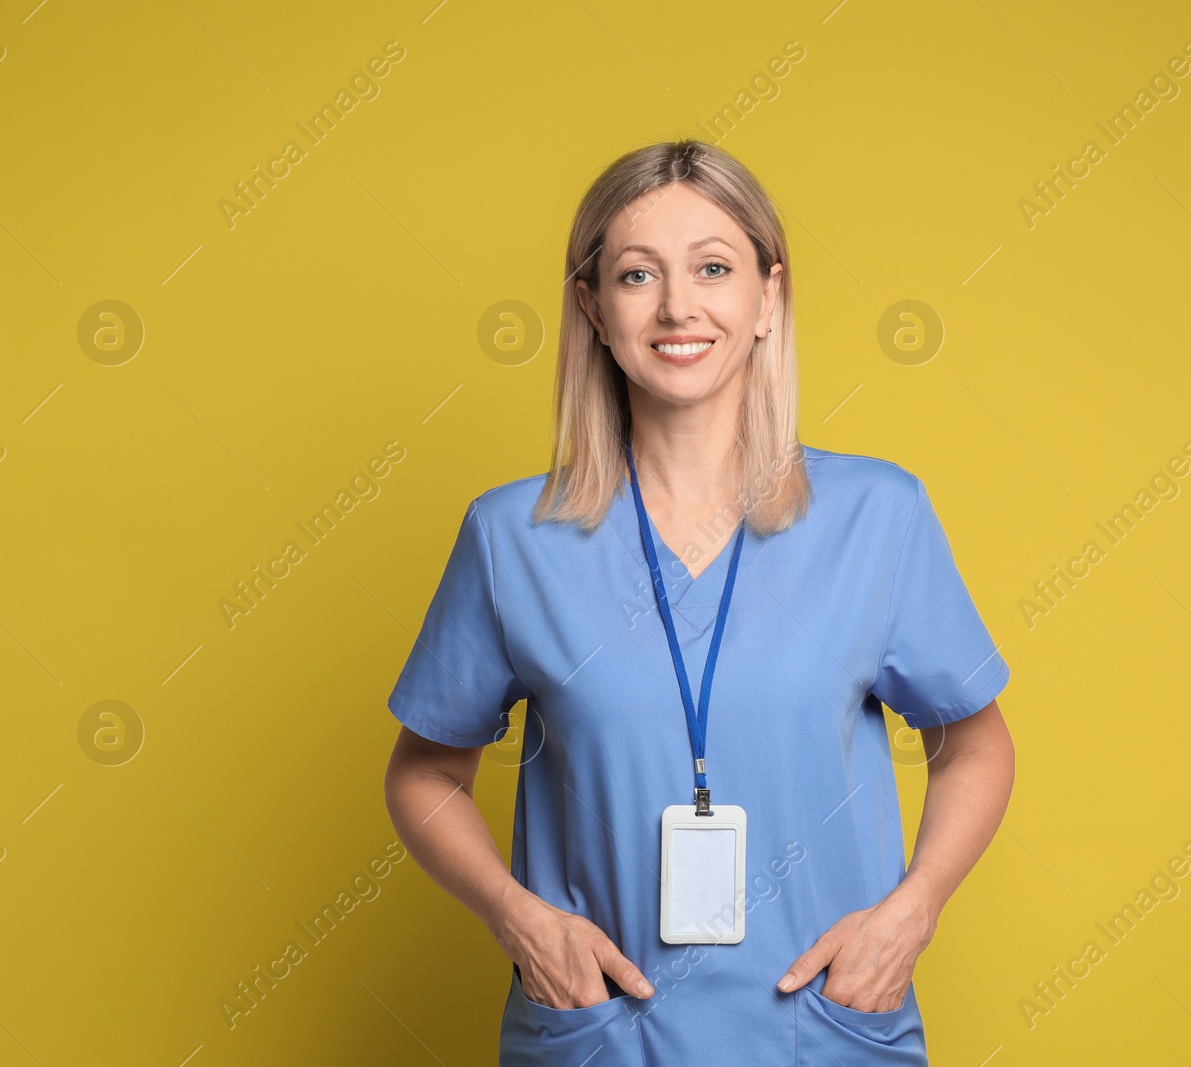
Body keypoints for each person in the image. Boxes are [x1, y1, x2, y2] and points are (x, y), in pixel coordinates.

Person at [383, 139, 1016, 1066]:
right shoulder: (510, 536)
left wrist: (911, 913)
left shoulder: (879, 517)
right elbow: (423, 775)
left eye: (713, 268)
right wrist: (520, 921)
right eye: (638, 275)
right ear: (593, 309)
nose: (679, 306)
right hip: (602, 1034)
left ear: (768, 298)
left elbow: (976, 744)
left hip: (824, 1031)